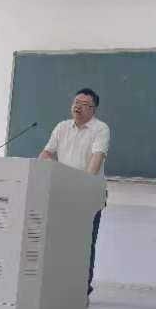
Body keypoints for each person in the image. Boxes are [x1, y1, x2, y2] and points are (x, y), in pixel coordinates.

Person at [39, 88, 110, 296]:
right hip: (61, 193)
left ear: (93, 109)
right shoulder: (62, 127)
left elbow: (96, 160)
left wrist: (80, 184)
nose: (78, 107)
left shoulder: (100, 129)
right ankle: (59, 282)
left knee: (85, 243)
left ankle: (82, 287)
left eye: (84, 104)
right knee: (59, 240)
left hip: (88, 195)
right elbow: (46, 153)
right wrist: (47, 162)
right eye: (76, 102)